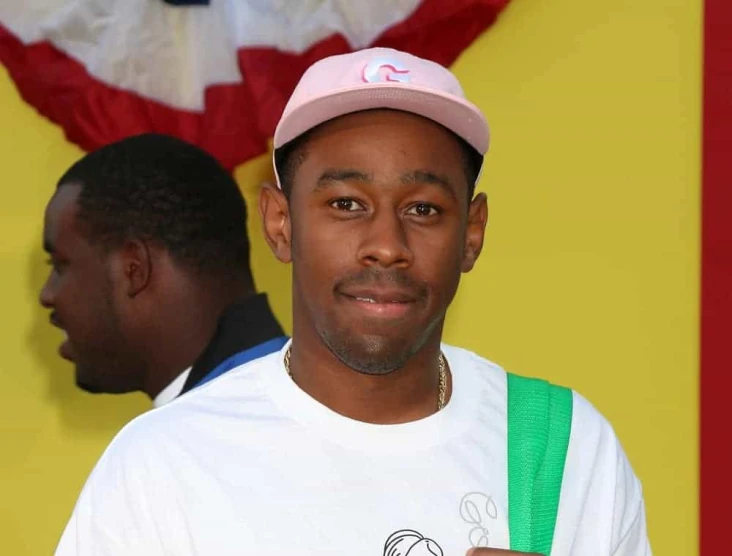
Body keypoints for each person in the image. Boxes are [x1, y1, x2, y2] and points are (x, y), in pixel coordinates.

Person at [55, 49, 651, 555]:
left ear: (472, 233)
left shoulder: (563, 447)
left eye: (424, 209)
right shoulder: (165, 463)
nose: (387, 245)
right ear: (281, 224)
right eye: (346, 204)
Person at [40, 134, 287, 408]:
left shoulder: (235, 420)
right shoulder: (271, 397)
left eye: (59, 265)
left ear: (134, 269)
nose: (47, 295)